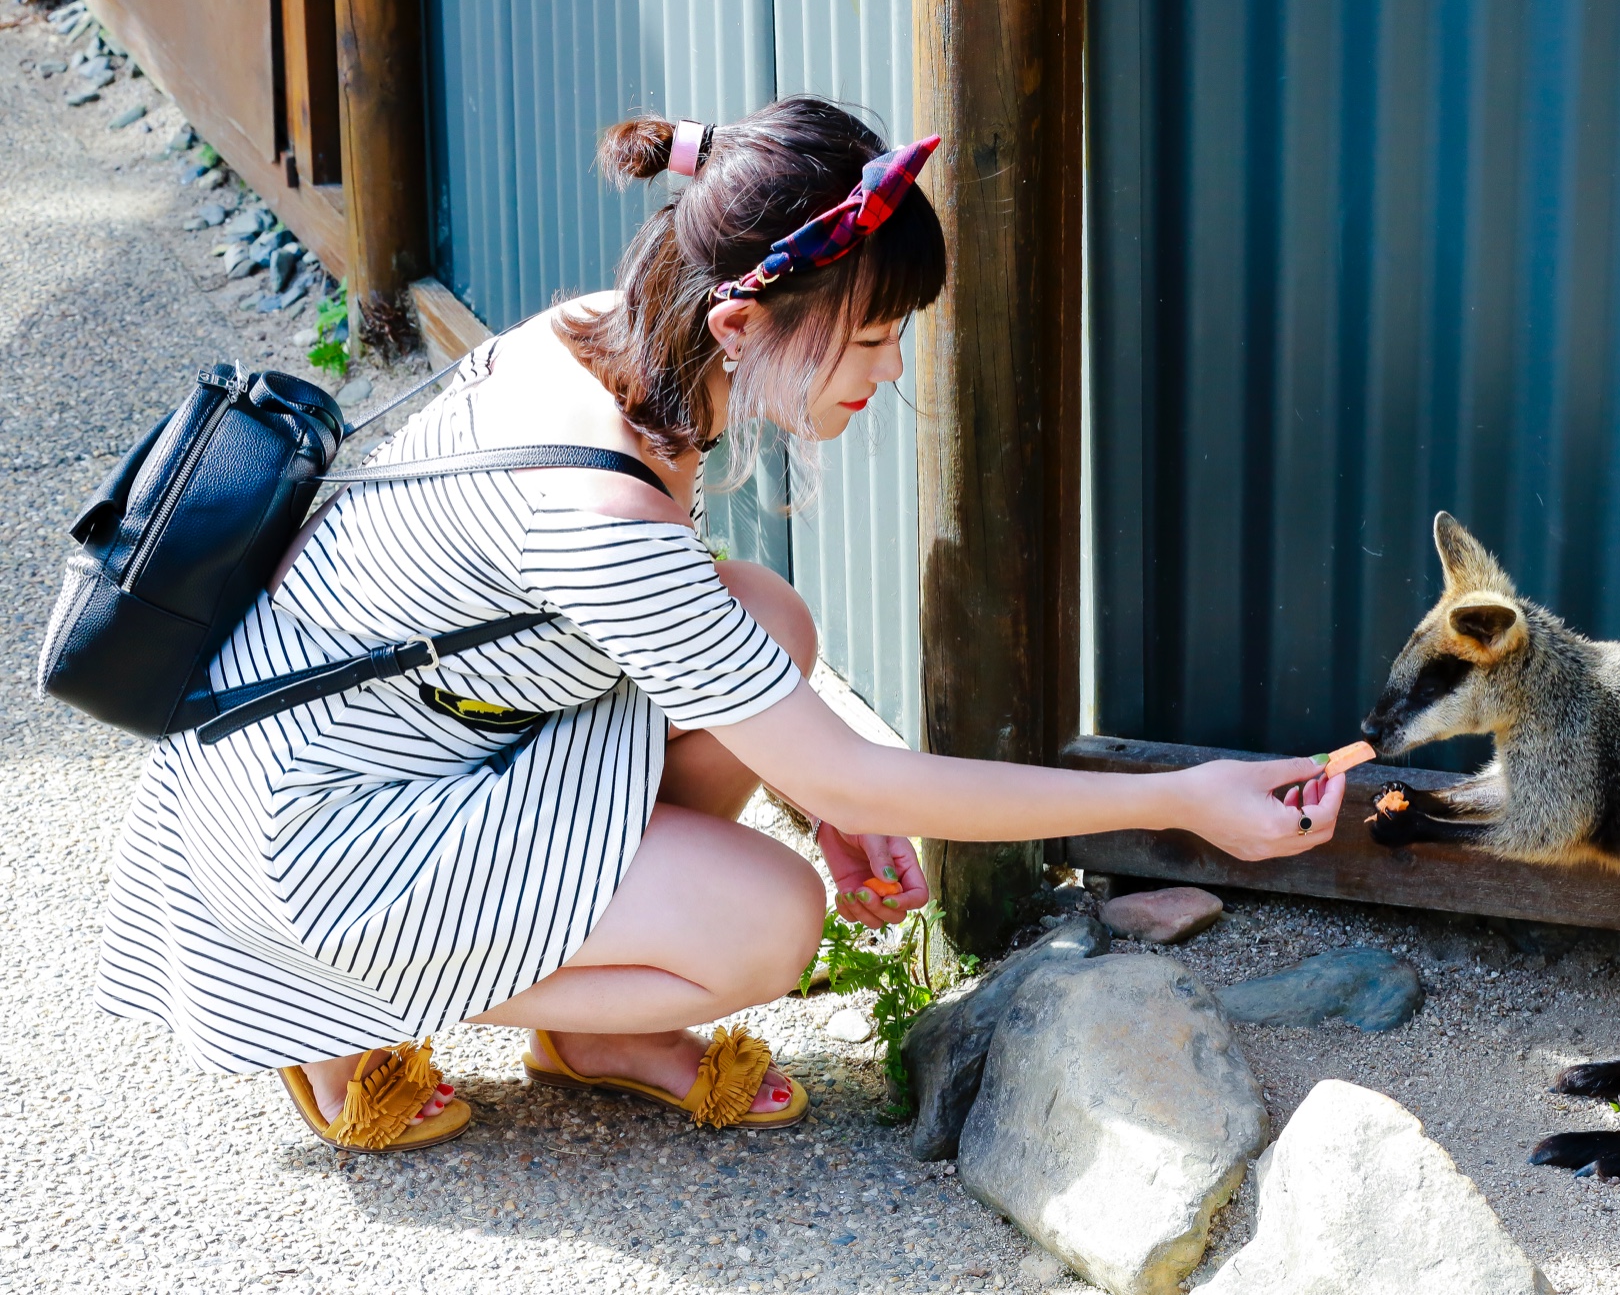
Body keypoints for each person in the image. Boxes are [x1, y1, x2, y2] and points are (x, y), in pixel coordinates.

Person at [95, 97, 1344, 1154]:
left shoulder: (601, 340)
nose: (889, 368)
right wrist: (1178, 799)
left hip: (377, 746)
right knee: (770, 921)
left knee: (765, 612)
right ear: (740, 322)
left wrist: (824, 789)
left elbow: (709, 654)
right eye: (868, 335)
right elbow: (848, 757)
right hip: (312, 840)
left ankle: (590, 1018)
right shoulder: (598, 514)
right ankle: (328, 1003)